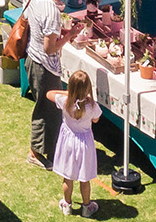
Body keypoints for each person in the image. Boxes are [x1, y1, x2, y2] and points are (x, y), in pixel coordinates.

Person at [21, 0, 68, 166]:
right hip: (44, 65)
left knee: (48, 108)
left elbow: (27, 19)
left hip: (33, 58)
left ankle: (49, 147)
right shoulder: (52, 10)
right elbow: (50, 49)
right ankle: (35, 153)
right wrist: (69, 35)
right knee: (46, 108)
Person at [47, 69, 102, 217]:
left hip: (68, 142)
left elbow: (49, 93)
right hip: (85, 144)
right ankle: (86, 207)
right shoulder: (92, 105)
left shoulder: (64, 101)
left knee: (68, 177)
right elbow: (96, 119)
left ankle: (67, 204)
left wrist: (68, 93)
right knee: (84, 179)